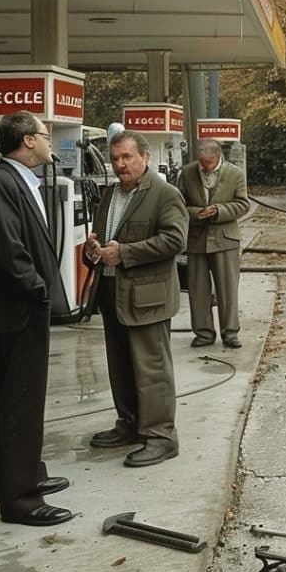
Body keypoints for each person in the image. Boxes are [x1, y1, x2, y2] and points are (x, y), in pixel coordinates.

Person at [0, 111, 72, 527]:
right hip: (18, 310)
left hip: (21, 308)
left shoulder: (17, 182)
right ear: (28, 141)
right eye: (46, 136)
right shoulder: (1, 184)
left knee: (13, 397)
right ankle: (20, 500)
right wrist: (38, 288)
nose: (51, 143)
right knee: (20, 401)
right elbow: (7, 247)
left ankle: (15, 477)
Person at [84, 130, 188, 467]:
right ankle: (129, 424)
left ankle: (160, 437)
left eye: (127, 157)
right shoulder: (109, 194)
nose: (120, 164)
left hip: (148, 298)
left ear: (144, 156)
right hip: (112, 292)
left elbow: (174, 240)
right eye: (115, 158)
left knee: (151, 370)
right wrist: (94, 252)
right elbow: (105, 241)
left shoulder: (164, 194)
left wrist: (124, 253)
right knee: (121, 366)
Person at [177, 139, 249, 348]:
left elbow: (243, 204)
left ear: (218, 157)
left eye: (208, 163)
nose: (204, 167)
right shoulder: (187, 173)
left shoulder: (235, 174)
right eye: (201, 163)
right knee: (197, 289)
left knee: (227, 289)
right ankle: (204, 333)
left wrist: (219, 210)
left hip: (225, 238)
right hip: (196, 239)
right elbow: (177, 204)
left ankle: (230, 333)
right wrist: (195, 213)